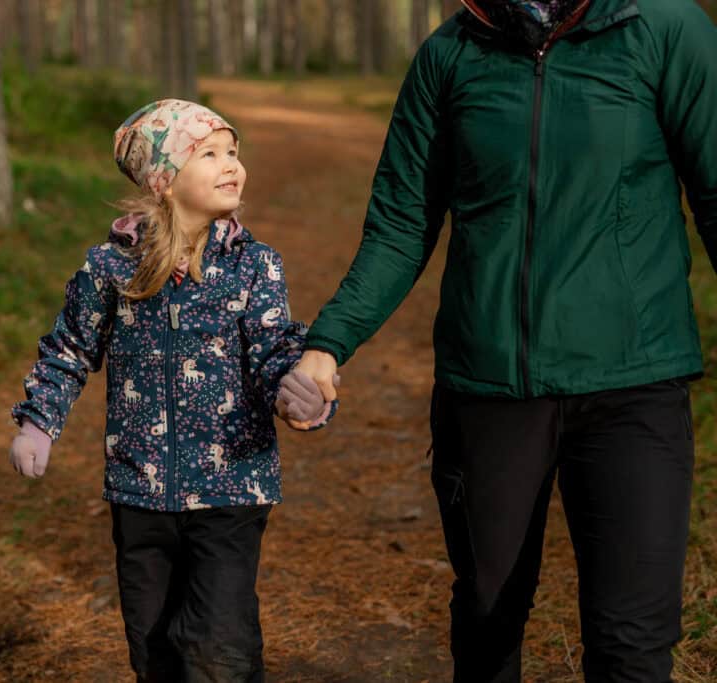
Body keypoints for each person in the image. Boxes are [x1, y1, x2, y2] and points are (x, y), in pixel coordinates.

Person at [293, 1, 716, 681]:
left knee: (632, 642)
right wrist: (329, 341)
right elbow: (402, 223)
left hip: (633, 385)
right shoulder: (452, 53)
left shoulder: (664, 28)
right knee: (489, 621)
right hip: (488, 388)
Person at [8, 99, 336, 682]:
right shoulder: (113, 267)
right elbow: (70, 348)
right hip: (139, 491)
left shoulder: (255, 266)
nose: (231, 164)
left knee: (219, 646)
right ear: (163, 179)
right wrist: (40, 421)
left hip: (232, 486)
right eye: (208, 154)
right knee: (154, 648)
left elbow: (273, 349)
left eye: (233, 151)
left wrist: (296, 390)